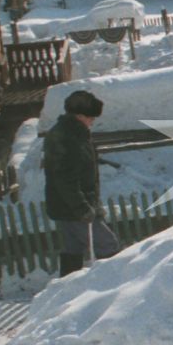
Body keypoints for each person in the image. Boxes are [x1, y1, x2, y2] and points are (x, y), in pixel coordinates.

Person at [43, 89, 119, 276]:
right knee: (107, 244)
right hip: (73, 208)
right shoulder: (67, 137)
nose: (92, 121)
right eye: (90, 117)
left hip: (67, 206)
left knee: (73, 249)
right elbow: (64, 177)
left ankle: (66, 294)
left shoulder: (73, 134)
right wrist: (82, 208)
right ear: (79, 115)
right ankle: (114, 286)